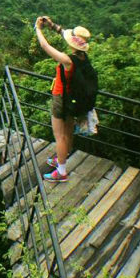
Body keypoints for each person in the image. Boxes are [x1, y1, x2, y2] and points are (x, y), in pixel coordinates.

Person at [34, 16, 91, 183]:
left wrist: (37, 28)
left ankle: (62, 171)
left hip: (61, 99)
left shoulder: (68, 61)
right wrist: (51, 26)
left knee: (60, 136)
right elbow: (63, 32)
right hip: (73, 99)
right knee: (67, 133)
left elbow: (45, 46)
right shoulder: (83, 58)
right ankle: (61, 159)